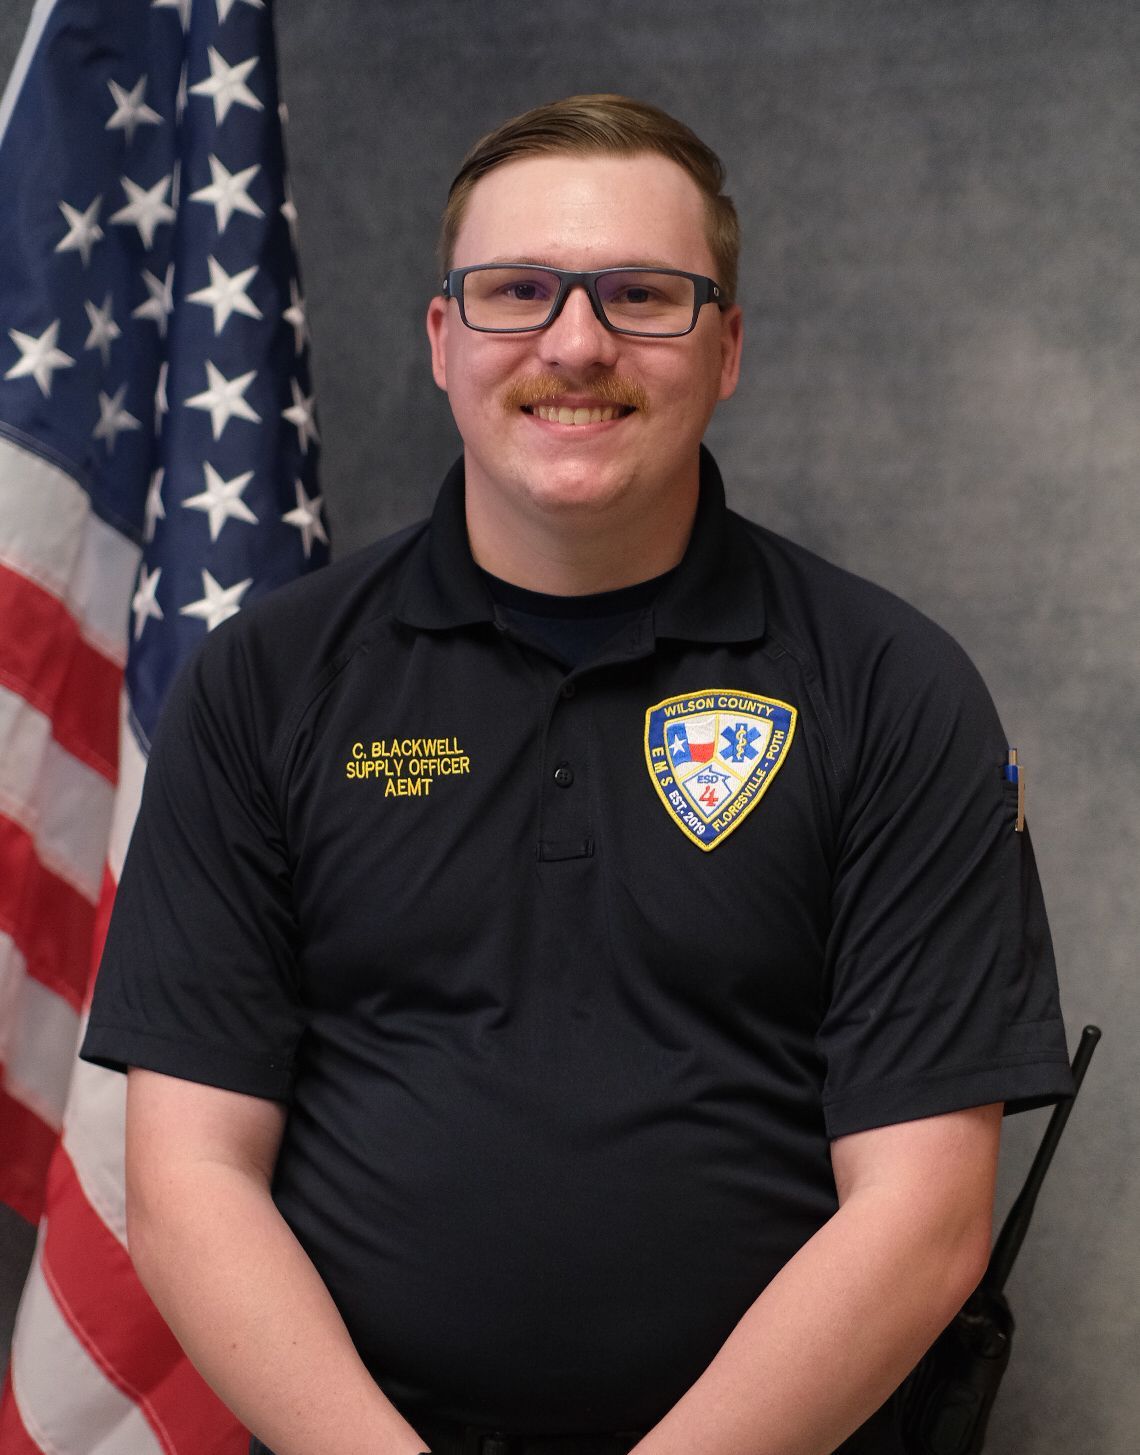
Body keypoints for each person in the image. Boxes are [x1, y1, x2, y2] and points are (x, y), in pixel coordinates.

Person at [82, 94, 1073, 1455]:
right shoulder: (264, 685)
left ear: (726, 349)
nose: (576, 342)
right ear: (443, 339)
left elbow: (924, 1217)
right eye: (520, 291)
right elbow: (190, 1174)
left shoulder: (892, 691)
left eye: (644, 296)